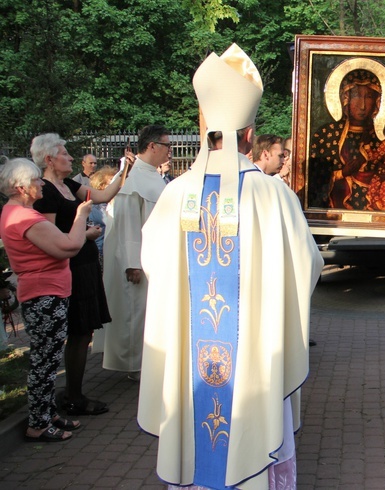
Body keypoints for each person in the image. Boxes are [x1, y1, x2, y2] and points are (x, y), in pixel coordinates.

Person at [137, 43, 323, 490]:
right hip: (253, 355)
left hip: (193, 355)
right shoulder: (273, 193)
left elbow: (154, 266)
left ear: (205, 127)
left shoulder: (175, 192)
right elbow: (308, 265)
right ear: (249, 133)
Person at [0, 157, 91, 441]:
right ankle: (38, 423)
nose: (42, 184)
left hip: (47, 292)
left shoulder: (17, 212)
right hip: (43, 294)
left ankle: (47, 413)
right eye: (37, 180)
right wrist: (81, 215)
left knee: (49, 360)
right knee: (44, 361)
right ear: (21, 187)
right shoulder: (24, 217)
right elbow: (70, 245)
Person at [31, 133, 121, 417]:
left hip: (85, 263)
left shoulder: (69, 184)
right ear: (49, 160)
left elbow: (104, 195)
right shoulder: (45, 191)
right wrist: (85, 234)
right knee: (78, 330)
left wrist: (124, 170)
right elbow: (52, 237)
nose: (71, 158)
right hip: (70, 266)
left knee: (84, 331)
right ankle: (73, 395)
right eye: (65, 154)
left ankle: (74, 392)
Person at [102, 125, 169, 380]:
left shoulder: (152, 175)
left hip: (156, 257)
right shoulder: (132, 177)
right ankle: (135, 366)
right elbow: (128, 223)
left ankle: (149, 361)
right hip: (139, 260)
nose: (169, 151)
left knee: (150, 311)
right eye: (166, 145)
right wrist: (132, 264)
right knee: (136, 312)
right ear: (152, 146)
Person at [308, 69, 384, 210]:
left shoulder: (380, 140)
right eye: (356, 95)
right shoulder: (326, 134)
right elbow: (314, 178)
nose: (362, 105)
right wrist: (341, 173)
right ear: (345, 98)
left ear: (376, 101)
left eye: (368, 97)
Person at [88, 166, 119, 263]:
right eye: (111, 182)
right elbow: (113, 221)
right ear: (101, 186)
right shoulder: (96, 207)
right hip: (101, 254)